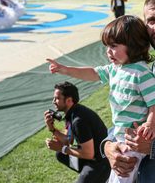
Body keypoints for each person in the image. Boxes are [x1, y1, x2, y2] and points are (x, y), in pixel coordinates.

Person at [47, 15, 155, 183]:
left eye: (113, 46)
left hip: (135, 142)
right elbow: (93, 73)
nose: (108, 51)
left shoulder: (142, 73)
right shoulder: (115, 69)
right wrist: (66, 70)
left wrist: (149, 124)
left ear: (133, 45)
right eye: (106, 46)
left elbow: (154, 104)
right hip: (120, 138)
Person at [102, 0, 155, 183]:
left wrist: (152, 147)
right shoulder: (145, 71)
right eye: (151, 20)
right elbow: (129, 112)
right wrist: (108, 146)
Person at [44, 81, 111, 183]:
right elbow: (68, 140)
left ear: (69, 100)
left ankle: (101, 177)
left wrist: (62, 148)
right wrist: (52, 128)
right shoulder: (72, 113)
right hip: (92, 158)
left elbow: (89, 154)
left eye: (57, 98)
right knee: (61, 154)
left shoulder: (79, 121)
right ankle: (90, 176)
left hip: (101, 163)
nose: (53, 101)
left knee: (62, 152)